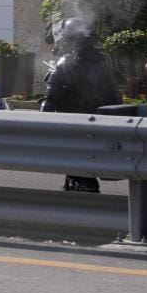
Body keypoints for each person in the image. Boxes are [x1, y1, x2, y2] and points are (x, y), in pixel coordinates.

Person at [40, 17, 121, 192]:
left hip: (73, 128)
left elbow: (49, 101)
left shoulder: (65, 64)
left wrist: (41, 127)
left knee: (78, 170)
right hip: (99, 126)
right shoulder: (104, 61)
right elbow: (115, 95)